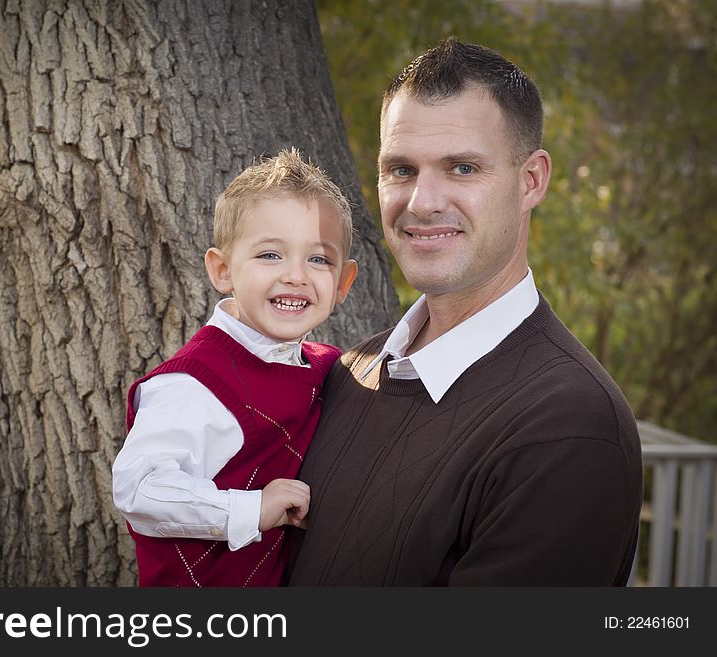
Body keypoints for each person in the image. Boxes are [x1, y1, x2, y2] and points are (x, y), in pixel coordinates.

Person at [287, 38, 643, 586]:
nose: (423, 202)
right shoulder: (346, 373)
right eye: (401, 170)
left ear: (531, 181)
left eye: (462, 168)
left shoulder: (569, 427)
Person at [112, 148, 358, 586]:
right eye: (270, 255)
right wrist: (248, 508)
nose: (296, 275)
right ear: (223, 270)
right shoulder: (193, 384)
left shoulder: (326, 368)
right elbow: (139, 488)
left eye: (318, 259)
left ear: (342, 283)